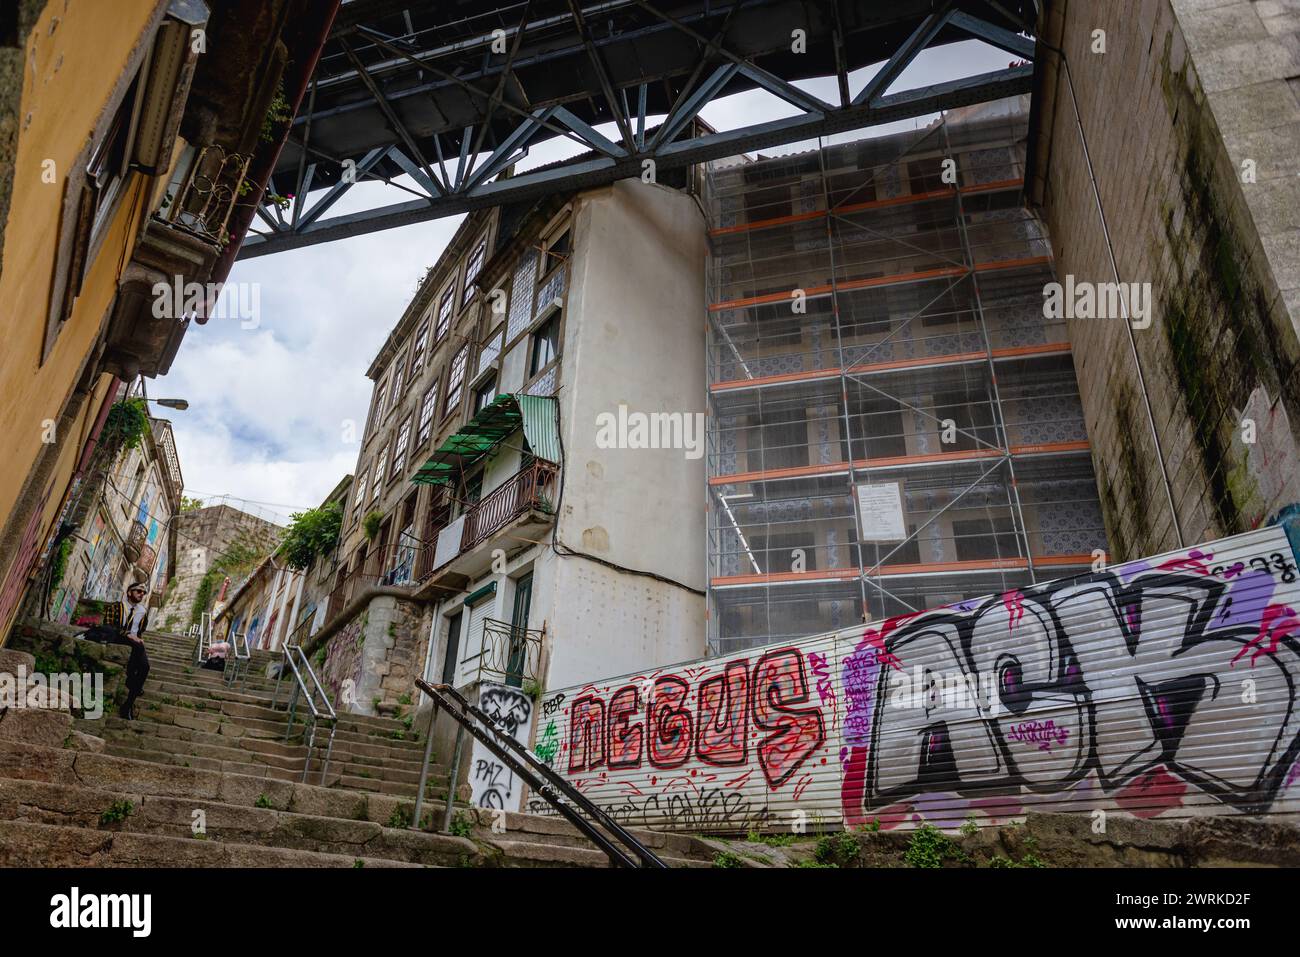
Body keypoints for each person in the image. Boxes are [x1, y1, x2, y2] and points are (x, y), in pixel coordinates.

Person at [82, 580, 152, 719]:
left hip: (135, 643)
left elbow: (140, 630)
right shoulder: (117, 607)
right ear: (129, 593)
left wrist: (136, 637)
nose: (141, 594)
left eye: (143, 593)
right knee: (137, 648)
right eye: (138, 591)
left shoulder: (143, 612)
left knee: (145, 667)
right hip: (117, 637)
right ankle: (131, 679)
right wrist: (127, 635)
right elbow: (108, 626)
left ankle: (128, 704)